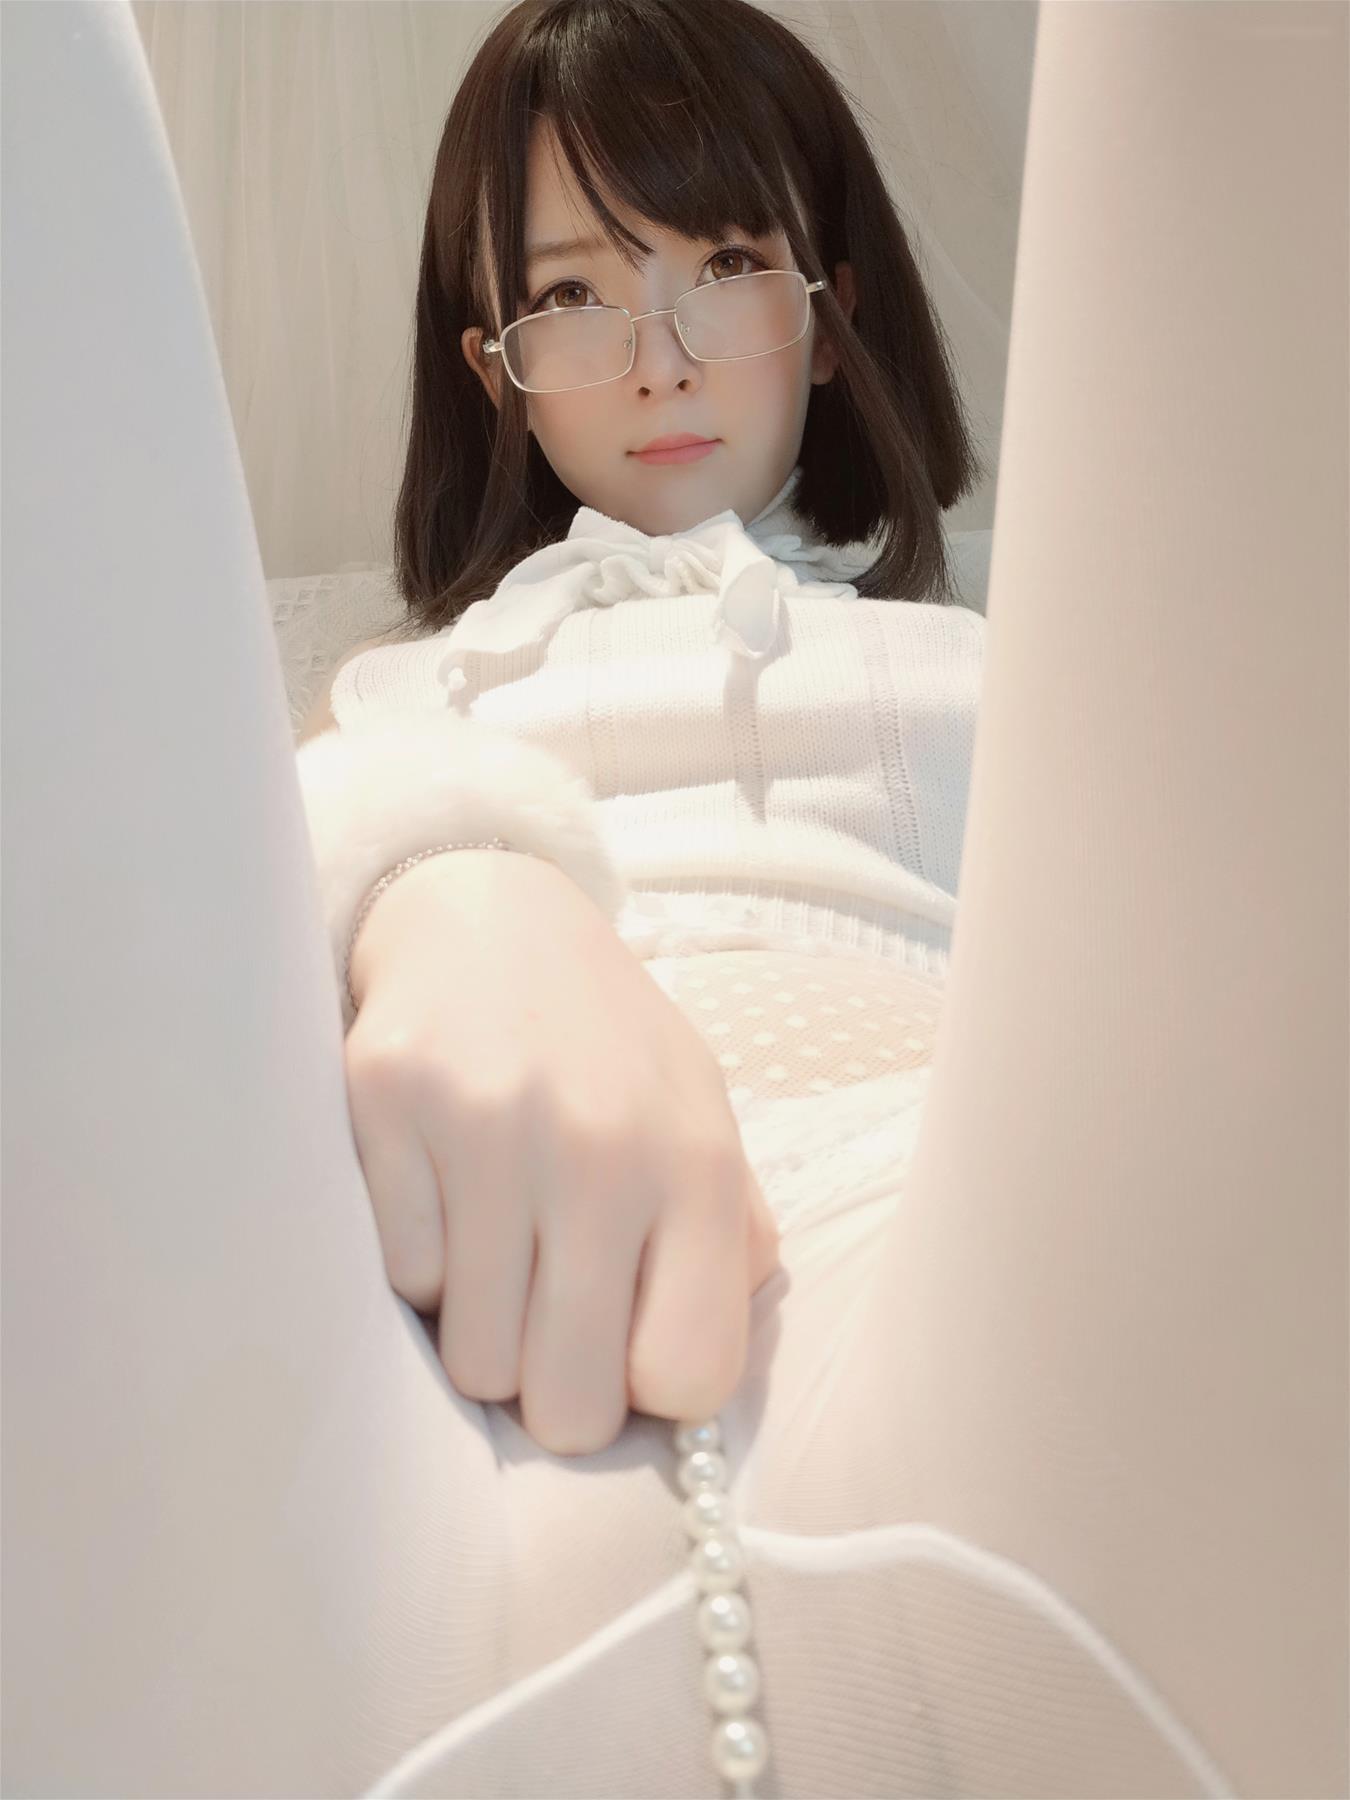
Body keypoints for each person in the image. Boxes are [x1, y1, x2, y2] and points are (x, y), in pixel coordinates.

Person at [5, 1, 1343, 1797]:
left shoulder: (1004, 660)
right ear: (493, 366)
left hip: (956, 1265)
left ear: (827, 311)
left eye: (719, 263)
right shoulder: (396, 700)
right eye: (570, 293)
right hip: (408, 1327)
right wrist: (446, 879)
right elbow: (215, 959)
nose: (657, 358)